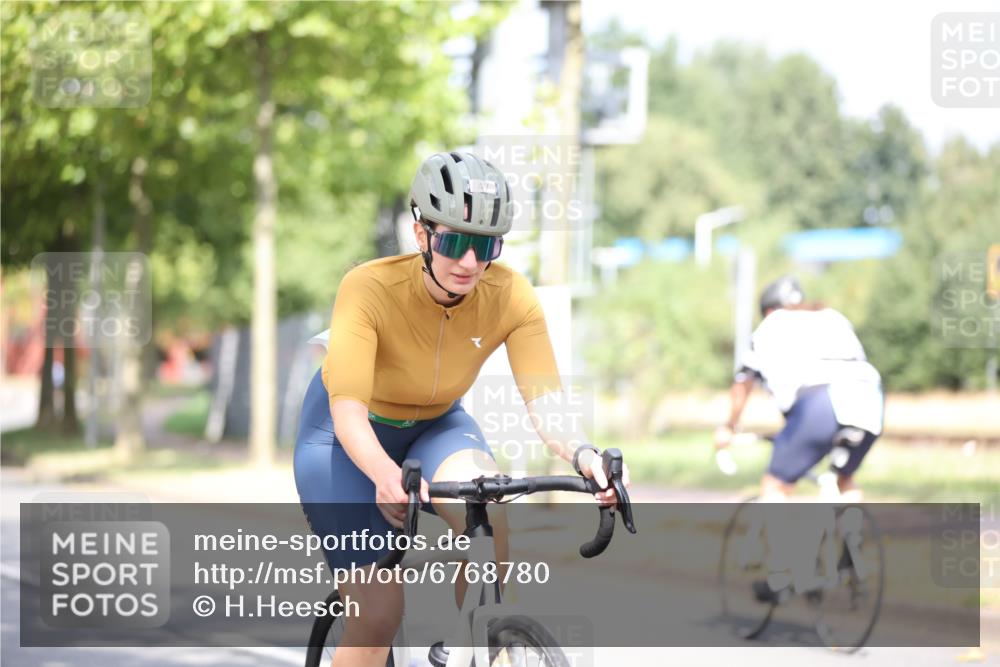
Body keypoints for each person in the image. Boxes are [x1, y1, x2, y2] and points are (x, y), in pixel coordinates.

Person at [294, 151, 629, 667]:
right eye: (454, 241)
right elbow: (348, 412)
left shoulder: (511, 295)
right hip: (344, 437)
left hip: (435, 426)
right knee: (378, 611)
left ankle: (473, 646)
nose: (470, 263)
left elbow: (544, 398)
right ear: (421, 234)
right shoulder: (369, 288)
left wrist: (583, 456)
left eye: (486, 245)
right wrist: (384, 475)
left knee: (489, 510)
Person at [714, 276, 884, 502]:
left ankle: (781, 537)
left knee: (775, 486)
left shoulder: (771, 325)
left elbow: (743, 384)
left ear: (768, 310)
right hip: (871, 401)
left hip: (820, 403)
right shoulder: (834, 318)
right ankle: (851, 533)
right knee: (845, 479)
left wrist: (729, 426)